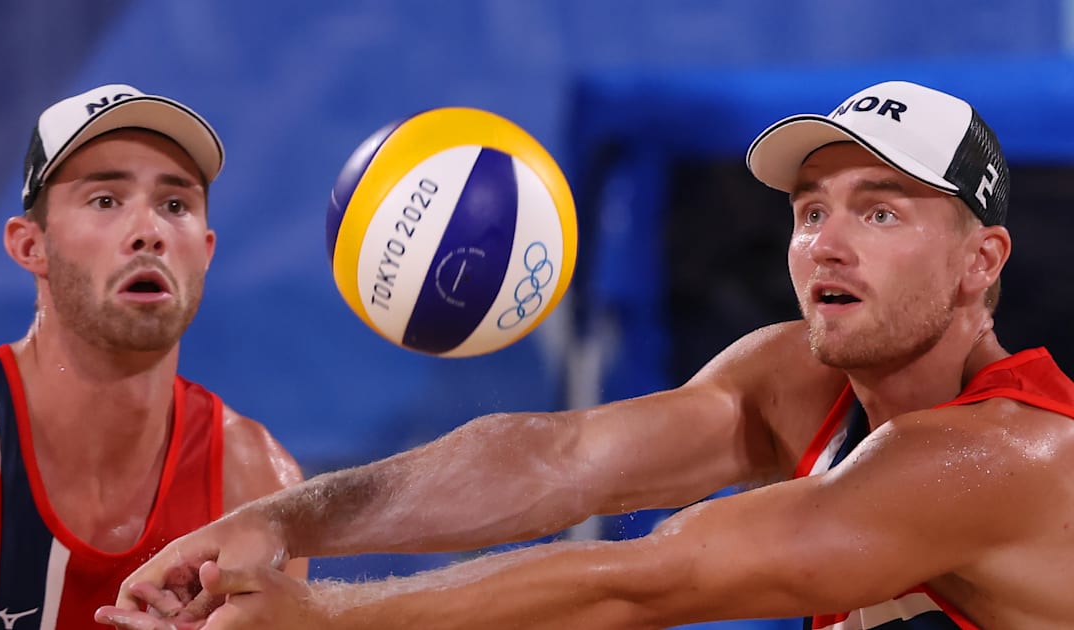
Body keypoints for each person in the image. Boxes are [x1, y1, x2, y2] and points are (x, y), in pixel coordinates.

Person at [97, 80, 1074, 629]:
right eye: (810, 209)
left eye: (880, 209)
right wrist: (284, 521)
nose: (827, 239)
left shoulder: (1005, 454)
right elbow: (558, 462)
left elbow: (653, 579)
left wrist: (329, 622)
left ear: (979, 263)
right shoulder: (795, 379)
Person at [0, 84, 308, 629]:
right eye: (106, 200)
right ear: (31, 246)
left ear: (206, 250)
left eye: (176, 205)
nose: (148, 231)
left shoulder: (257, 486)